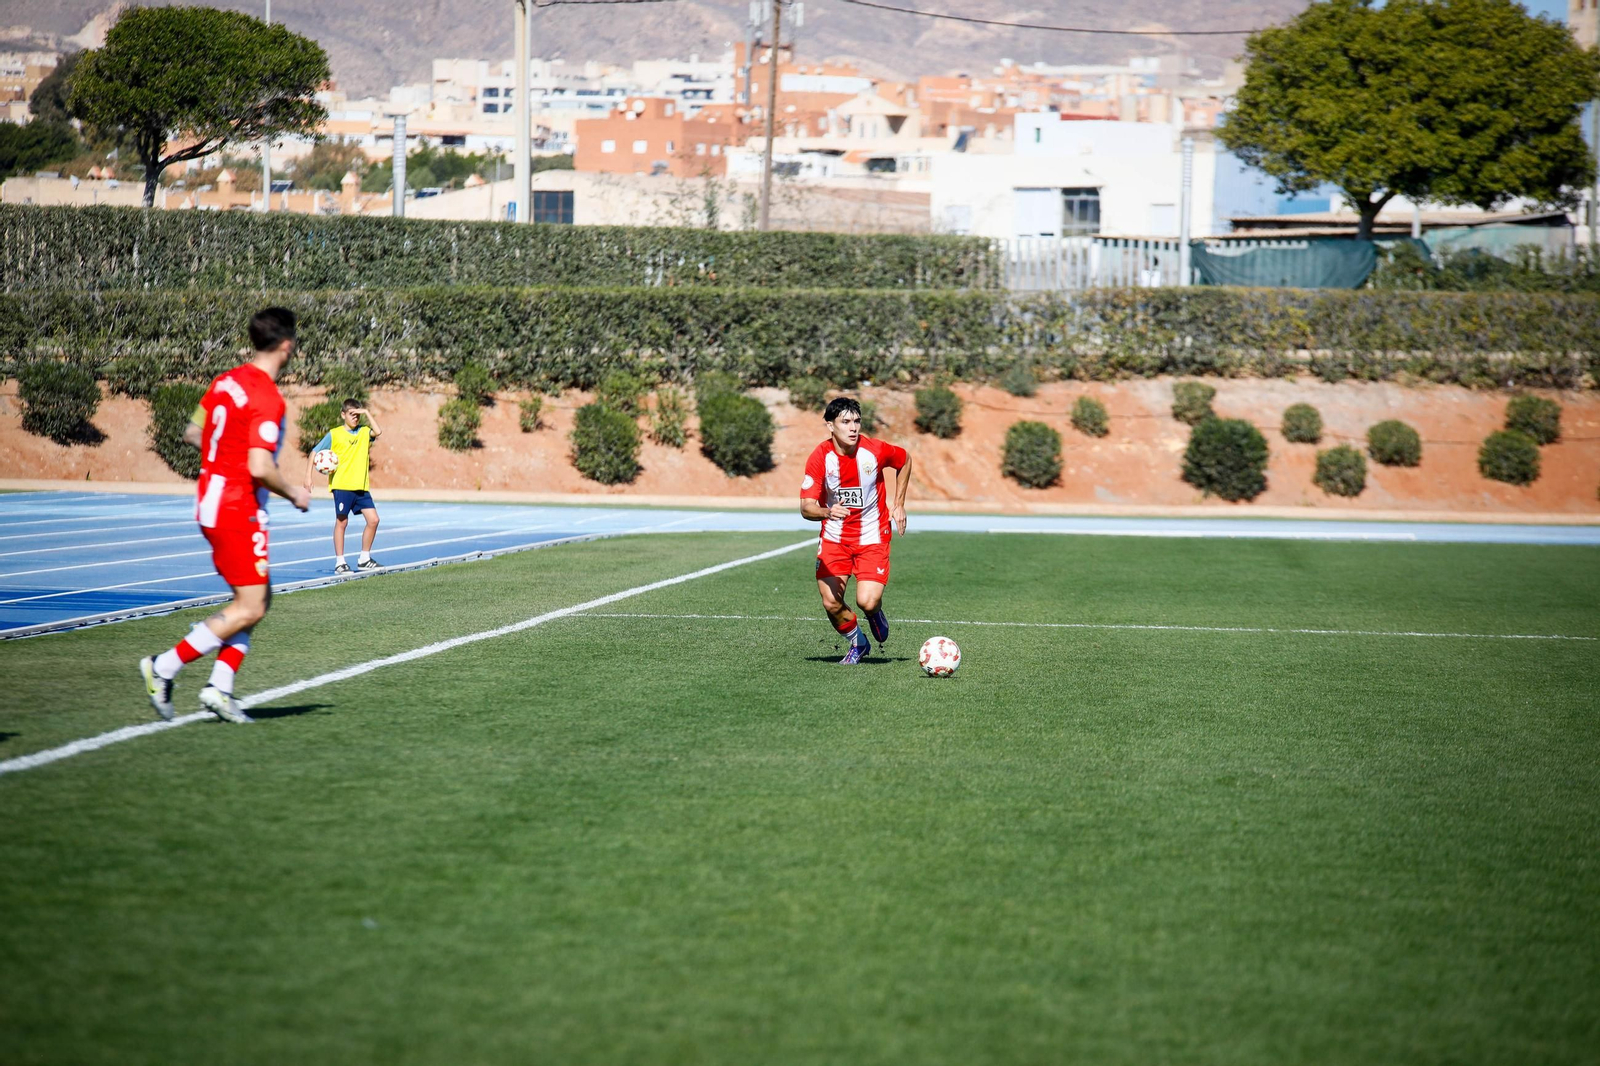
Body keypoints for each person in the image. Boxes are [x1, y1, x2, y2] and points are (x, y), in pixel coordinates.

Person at [139, 307, 311, 724]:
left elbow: (194, 433)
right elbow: (259, 467)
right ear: (286, 345)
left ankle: (220, 687)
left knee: (257, 599)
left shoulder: (225, 381)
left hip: (212, 499)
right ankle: (163, 667)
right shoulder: (267, 397)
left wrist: (223, 459)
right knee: (249, 606)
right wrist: (294, 494)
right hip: (237, 507)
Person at [799, 397, 912, 665]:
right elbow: (805, 507)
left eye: (857, 421)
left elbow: (905, 460)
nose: (853, 428)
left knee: (867, 601)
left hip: (872, 536)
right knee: (830, 603)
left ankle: (875, 614)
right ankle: (858, 642)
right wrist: (827, 512)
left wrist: (899, 504)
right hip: (835, 539)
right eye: (845, 422)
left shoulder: (875, 450)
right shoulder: (820, 458)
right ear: (830, 425)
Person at [305, 398, 383, 574]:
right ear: (343, 415)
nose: (355, 418)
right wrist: (307, 477)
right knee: (342, 522)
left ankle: (364, 559)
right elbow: (314, 452)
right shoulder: (334, 434)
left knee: (374, 520)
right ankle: (340, 562)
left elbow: (378, 432)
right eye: (351, 414)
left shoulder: (364, 432)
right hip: (342, 485)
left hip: (361, 486)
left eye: (357, 414)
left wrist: (367, 413)